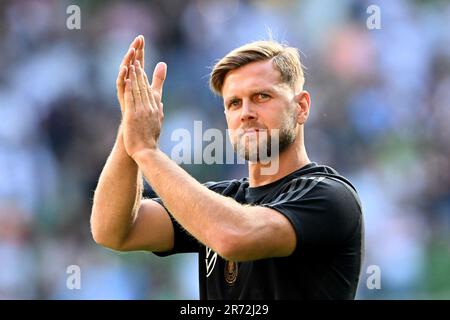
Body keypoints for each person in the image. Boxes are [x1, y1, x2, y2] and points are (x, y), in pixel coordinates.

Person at [91, 35, 364, 300]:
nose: (246, 112)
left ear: (301, 107)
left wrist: (146, 151)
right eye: (234, 103)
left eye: (261, 96)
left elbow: (233, 237)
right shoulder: (222, 201)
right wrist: (130, 128)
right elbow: (112, 230)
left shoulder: (330, 196)